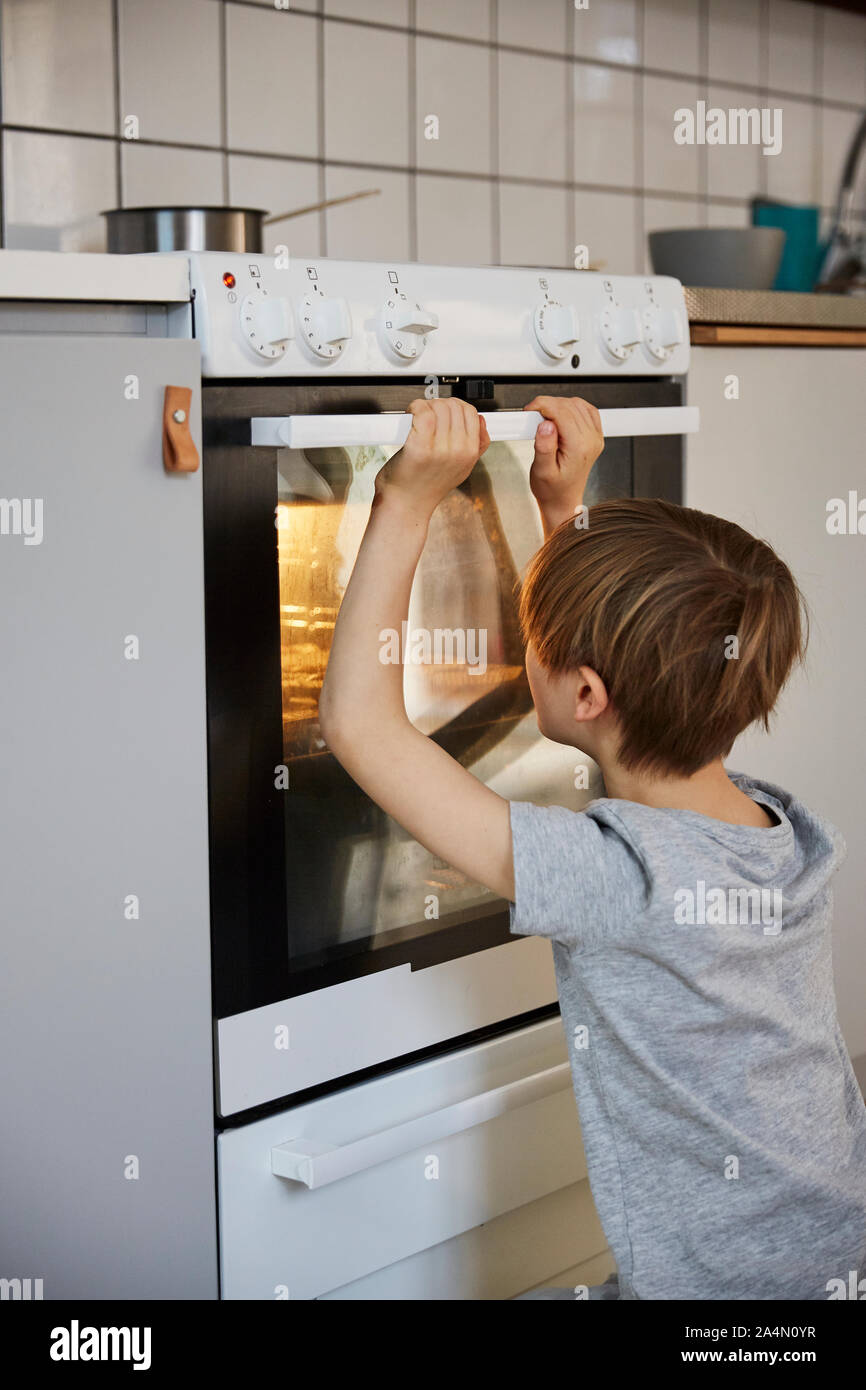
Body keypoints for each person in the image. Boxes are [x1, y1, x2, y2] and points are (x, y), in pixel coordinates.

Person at [318, 395, 866, 1301]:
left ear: (583, 694)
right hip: (830, 1245)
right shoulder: (786, 835)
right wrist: (563, 508)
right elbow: (611, 666)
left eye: (536, 632)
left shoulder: (617, 878)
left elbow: (361, 724)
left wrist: (404, 502)